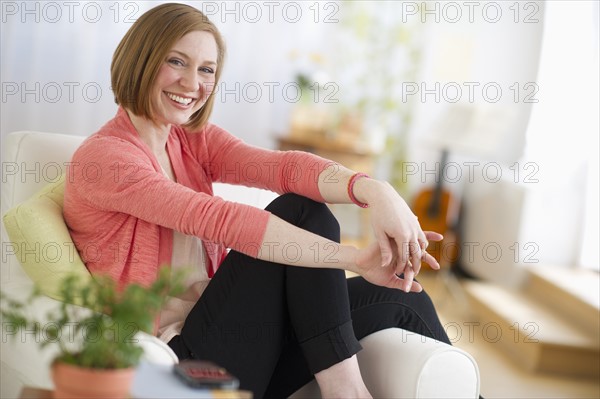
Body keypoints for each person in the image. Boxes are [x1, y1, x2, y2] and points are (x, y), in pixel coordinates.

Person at [63, 3, 451, 398]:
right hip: (179, 363)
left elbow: (279, 168)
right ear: (140, 60)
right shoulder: (106, 158)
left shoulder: (189, 140)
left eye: (206, 70)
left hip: (236, 340)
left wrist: (376, 190)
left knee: (399, 298)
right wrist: (353, 258)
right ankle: (346, 391)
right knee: (301, 211)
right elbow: (217, 219)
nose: (191, 83)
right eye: (176, 62)